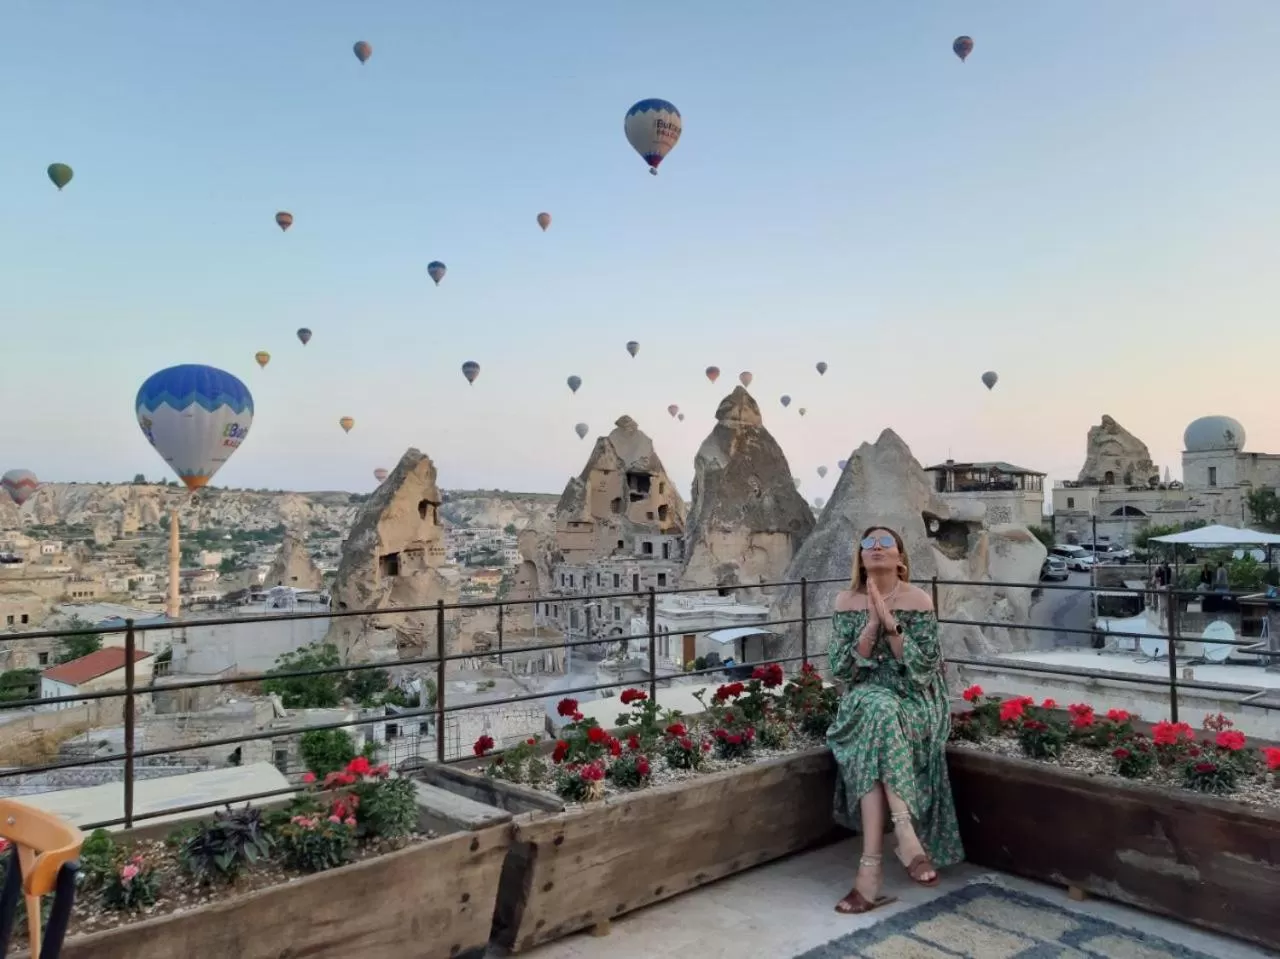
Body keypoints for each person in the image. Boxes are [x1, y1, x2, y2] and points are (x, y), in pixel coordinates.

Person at [827, 526, 964, 915]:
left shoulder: (917, 599)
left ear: (900, 557)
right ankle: (904, 833)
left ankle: (869, 875)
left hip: (914, 698)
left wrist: (891, 623)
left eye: (885, 543)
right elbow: (841, 669)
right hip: (866, 696)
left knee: (879, 715)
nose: (876, 548)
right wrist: (870, 625)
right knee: (876, 708)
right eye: (867, 544)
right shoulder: (846, 601)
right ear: (860, 557)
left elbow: (923, 668)